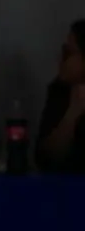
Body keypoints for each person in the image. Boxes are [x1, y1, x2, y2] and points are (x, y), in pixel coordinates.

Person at [37, 19, 85, 173]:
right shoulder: (60, 90)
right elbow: (45, 160)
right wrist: (72, 114)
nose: (60, 59)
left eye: (68, 53)